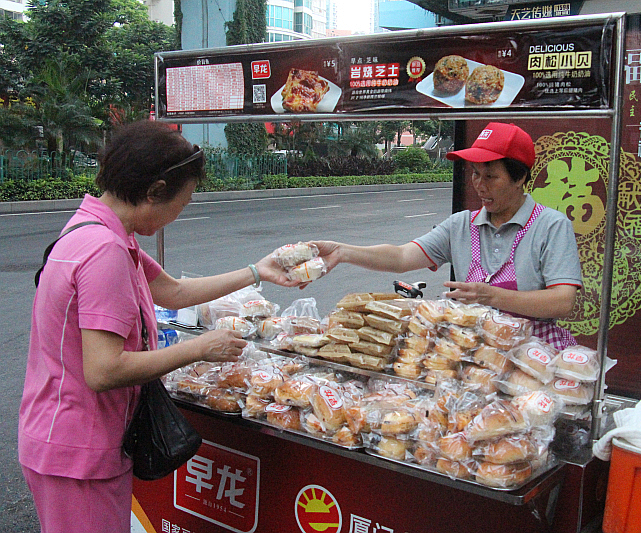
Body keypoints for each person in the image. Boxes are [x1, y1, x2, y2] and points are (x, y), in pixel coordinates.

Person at [18, 120, 297, 533]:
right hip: (77, 449)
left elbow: (175, 292)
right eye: (182, 203)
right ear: (155, 191)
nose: (178, 214)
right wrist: (200, 349)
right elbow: (103, 370)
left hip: (64, 436)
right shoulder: (104, 252)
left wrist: (258, 271)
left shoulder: (95, 230)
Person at [314, 122, 582, 349]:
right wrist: (343, 252)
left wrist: (489, 296)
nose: (480, 185)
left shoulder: (550, 226)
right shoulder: (461, 225)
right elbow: (401, 256)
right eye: (475, 174)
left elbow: (562, 301)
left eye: (491, 176)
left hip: (533, 355)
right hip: (473, 353)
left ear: (520, 177)